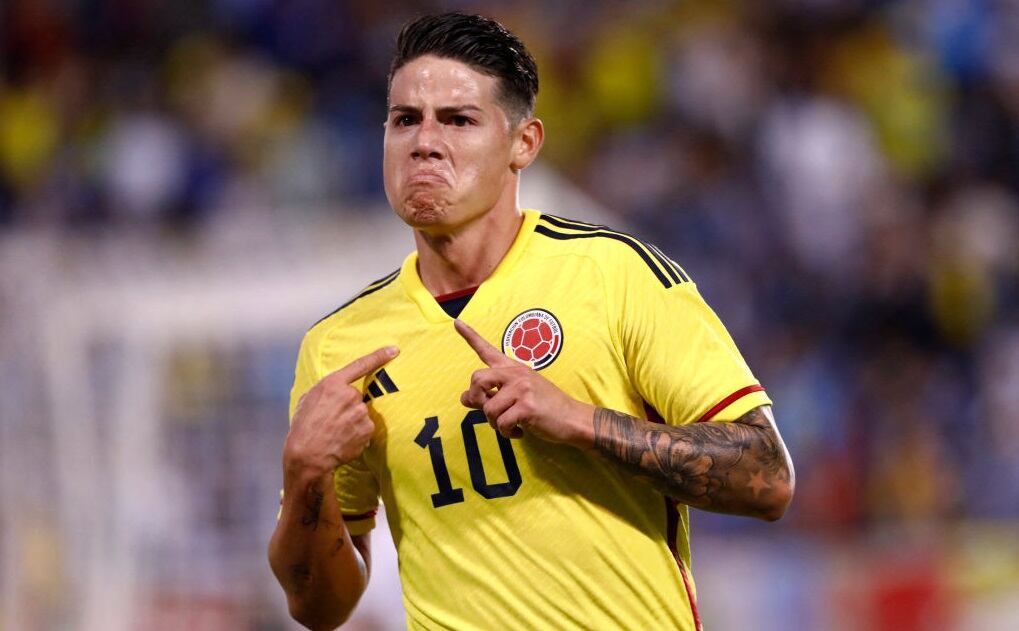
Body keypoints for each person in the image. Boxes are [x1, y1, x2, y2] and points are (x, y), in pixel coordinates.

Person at [268, 12, 794, 631]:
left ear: (525, 144)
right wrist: (304, 475)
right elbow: (321, 608)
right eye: (405, 119)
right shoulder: (340, 347)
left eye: (458, 120)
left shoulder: (611, 274)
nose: (424, 141)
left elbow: (767, 476)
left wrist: (576, 420)